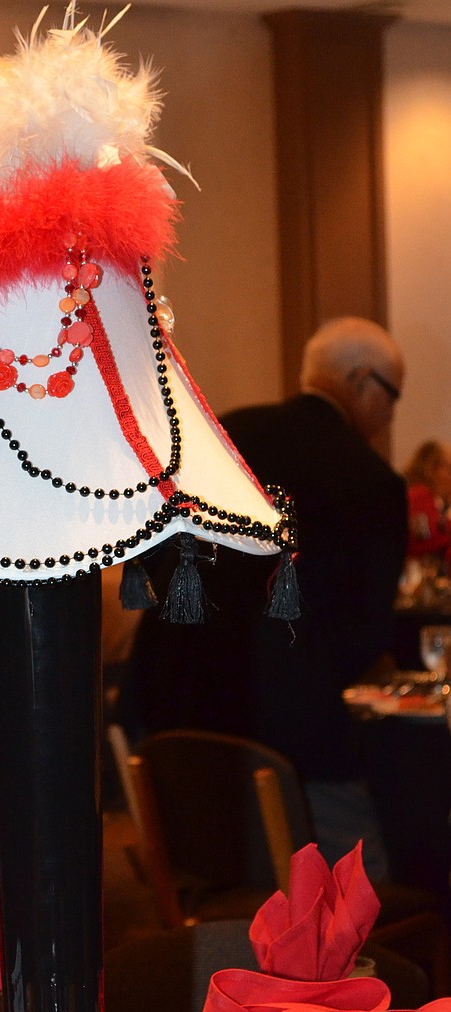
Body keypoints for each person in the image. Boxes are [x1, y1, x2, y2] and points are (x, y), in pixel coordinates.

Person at [120, 316, 408, 880]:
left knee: (210, 886)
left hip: (173, 726)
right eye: (392, 397)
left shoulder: (218, 438)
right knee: (361, 883)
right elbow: (366, 634)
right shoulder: (370, 481)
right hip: (292, 748)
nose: (391, 414)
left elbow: (148, 564)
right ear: (363, 382)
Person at [403, 439, 451, 562]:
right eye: (449, 469)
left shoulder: (435, 500)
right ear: (431, 470)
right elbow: (422, 544)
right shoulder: (418, 496)